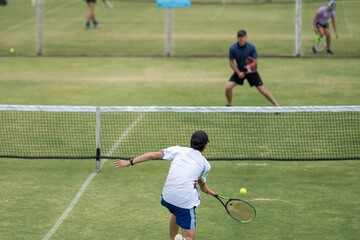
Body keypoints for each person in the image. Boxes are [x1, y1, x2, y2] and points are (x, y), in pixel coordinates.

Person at [113, 130, 216, 240]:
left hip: (167, 197)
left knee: (176, 212)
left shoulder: (177, 150)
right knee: (190, 237)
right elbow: (200, 178)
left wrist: (130, 162)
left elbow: (152, 155)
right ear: (205, 146)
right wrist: (203, 187)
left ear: (191, 142)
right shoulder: (206, 165)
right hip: (184, 202)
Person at [225, 29, 279, 107]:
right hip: (239, 71)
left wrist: (249, 67)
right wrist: (238, 72)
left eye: (243, 36)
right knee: (228, 88)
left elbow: (255, 62)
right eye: (239, 36)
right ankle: (229, 105)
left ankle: (277, 106)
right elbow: (231, 63)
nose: (241, 38)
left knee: (263, 90)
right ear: (237, 37)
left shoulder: (251, 47)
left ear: (246, 37)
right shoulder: (232, 48)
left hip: (252, 72)